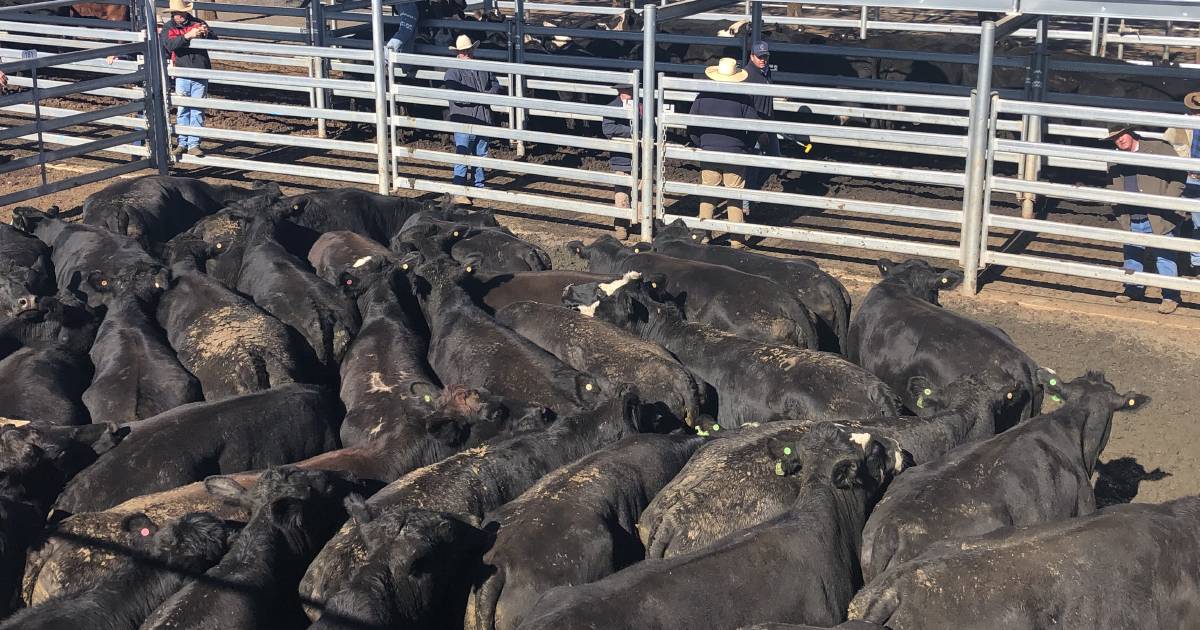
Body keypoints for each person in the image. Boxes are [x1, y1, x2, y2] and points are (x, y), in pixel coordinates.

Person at [1107, 124, 1188, 314]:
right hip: (1132, 215)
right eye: (1114, 138)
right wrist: (1116, 203)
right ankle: (1133, 289)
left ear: (1131, 133)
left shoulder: (1159, 148)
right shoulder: (1114, 159)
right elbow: (1112, 183)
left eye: (1121, 135)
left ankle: (1170, 296)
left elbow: (1179, 175)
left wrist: (1167, 200)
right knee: (1132, 255)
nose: (1119, 140)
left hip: (1160, 215)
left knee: (1165, 257)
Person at [688, 57, 759, 249]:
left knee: (708, 194)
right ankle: (737, 239)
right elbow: (754, 127)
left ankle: (703, 234)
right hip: (735, 151)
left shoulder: (703, 96)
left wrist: (702, 143)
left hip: (709, 151)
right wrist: (746, 146)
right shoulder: (743, 98)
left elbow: (691, 125)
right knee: (734, 194)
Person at [444, 34, 501, 205]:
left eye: (468, 50)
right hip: (465, 117)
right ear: (458, 52)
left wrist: (488, 95)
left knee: (480, 152)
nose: (466, 53)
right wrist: (483, 97)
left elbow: (495, 83)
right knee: (463, 153)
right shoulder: (452, 72)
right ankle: (459, 189)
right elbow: (457, 97)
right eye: (463, 51)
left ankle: (478, 186)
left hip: (481, 116)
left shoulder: (481, 67)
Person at [161, 0, 215, 159]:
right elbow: (169, 45)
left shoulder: (198, 23)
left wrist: (206, 33)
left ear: (184, 13)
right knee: (184, 108)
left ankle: (193, 144)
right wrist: (188, 36)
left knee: (197, 109)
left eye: (178, 13)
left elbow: (214, 38)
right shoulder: (168, 27)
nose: (176, 16)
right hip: (182, 72)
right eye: (175, 13)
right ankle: (183, 143)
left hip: (199, 70)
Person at [1164, 90, 1200, 275]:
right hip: (1182, 177)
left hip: (1194, 179)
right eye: (1195, 110)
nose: (1197, 114)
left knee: (1199, 223)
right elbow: (1164, 145)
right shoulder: (1178, 125)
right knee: (1172, 219)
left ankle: (1196, 264)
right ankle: (1169, 262)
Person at [742, 41, 779, 214]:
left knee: (774, 158)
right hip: (754, 125)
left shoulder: (766, 72)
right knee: (752, 164)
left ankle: (752, 192)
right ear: (752, 56)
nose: (763, 59)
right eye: (759, 56)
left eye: (765, 56)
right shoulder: (747, 74)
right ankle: (746, 204)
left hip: (767, 123)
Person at [601, 83, 637, 240]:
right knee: (622, 192)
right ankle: (621, 225)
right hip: (621, 156)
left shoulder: (641, 105)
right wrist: (633, 131)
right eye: (627, 90)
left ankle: (640, 223)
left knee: (641, 189)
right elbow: (608, 130)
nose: (630, 92)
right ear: (621, 91)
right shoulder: (612, 107)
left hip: (639, 157)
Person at [384, 0, 421, 77]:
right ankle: (384, 58)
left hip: (408, 4)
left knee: (410, 35)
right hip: (408, 4)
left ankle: (406, 67)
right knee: (405, 32)